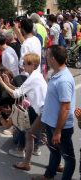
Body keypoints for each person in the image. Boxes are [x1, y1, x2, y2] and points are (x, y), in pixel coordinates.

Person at [33, 45, 76, 180]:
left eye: (47, 55)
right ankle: (49, 176)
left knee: (68, 158)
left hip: (60, 127)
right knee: (54, 151)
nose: (45, 57)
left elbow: (65, 108)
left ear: (52, 59)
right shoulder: (56, 74)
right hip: (51, 123)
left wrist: (58, 131)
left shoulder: (64, 80)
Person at [0, 53, 47, 159]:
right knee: (32, 130)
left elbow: (16, 94)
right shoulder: (36, 75)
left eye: (25, 63)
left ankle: (21, 151)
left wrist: (2, 83)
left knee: (23, 126)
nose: (23, 65)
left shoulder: (33, 78)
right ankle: (35, 149)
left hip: (39, 110)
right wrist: (8, 84)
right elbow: (22, 90)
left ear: (32, 65)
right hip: (40, 108)